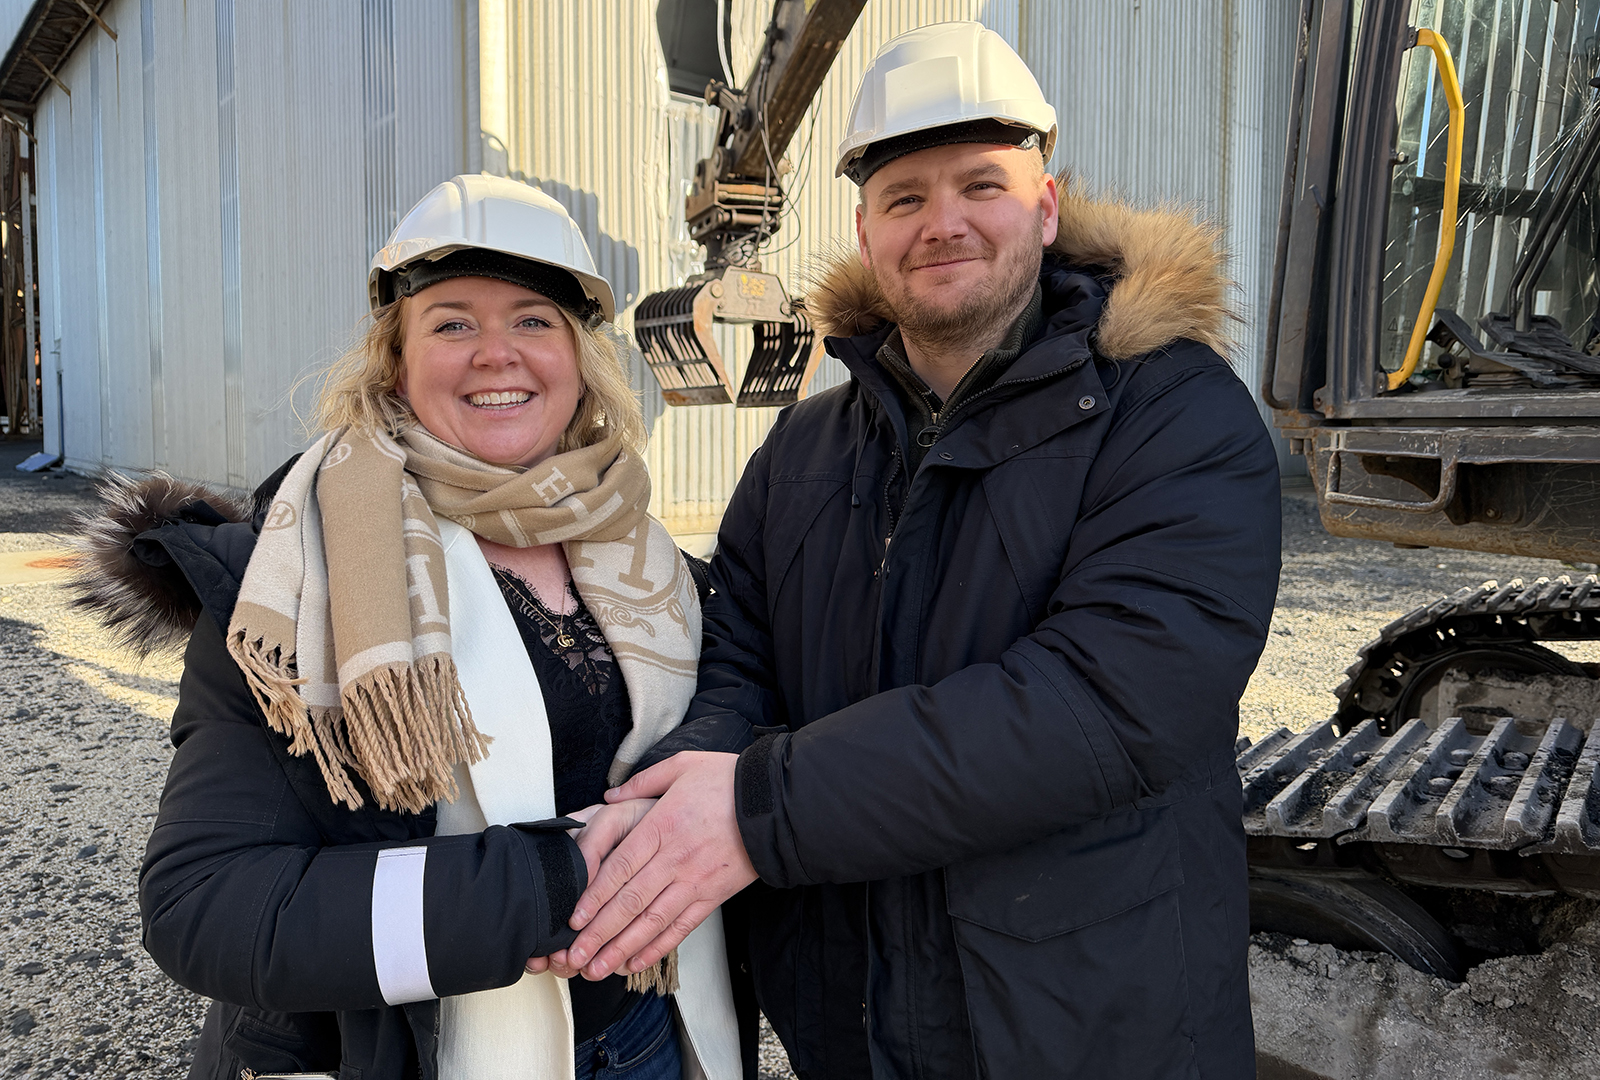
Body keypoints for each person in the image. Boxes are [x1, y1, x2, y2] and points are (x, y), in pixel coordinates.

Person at [539, 22, 1281, 1079]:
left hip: (1084, 1021)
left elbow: (1107, 704)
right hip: (854, 1023)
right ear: (864, 229)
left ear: (1046, 206)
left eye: (981, 185)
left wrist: (756, 809)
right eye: (904, 198)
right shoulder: (803, 449)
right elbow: (738, 655)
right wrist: (664, 806)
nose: (943, 223)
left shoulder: (1169, 414)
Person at [71, 174, 744, 1080]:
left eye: (534, 320)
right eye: (452, 323)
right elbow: (208, 905)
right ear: (395, 362)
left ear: (581, 358)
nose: (496, 354)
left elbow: (737, 693)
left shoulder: (644, 550)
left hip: (652, 1031)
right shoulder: (297, 579)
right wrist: (551, 884)